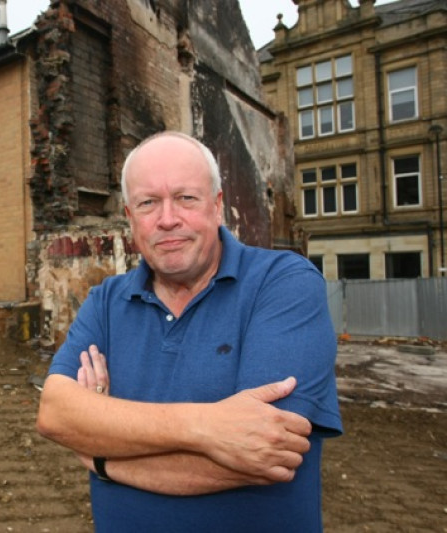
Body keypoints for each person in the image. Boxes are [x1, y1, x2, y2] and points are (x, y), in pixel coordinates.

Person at [36, 131, 342, 531]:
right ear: (130, 218)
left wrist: (102, 455)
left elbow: (267, 450)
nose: (167, 219)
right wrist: (207, 427)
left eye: (186, 198)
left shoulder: (283, 282)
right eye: (148, 203)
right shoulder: (107, 300)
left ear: (217, 207)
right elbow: (56, 414)